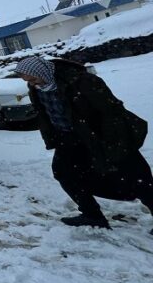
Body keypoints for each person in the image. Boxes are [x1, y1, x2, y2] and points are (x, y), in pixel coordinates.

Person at [13, 56, 153, 232]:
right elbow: (44, 113)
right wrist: (52, 137)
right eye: (28, 81)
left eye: (33, 79)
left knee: (136, 177)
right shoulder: (37, 87)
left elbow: (111, 112)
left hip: (101, 135)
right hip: (67, 138)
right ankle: (92, 215)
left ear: (42, 72)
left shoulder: (82, 81)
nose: (32, 84)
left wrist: (112, 143)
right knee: (64, 173)